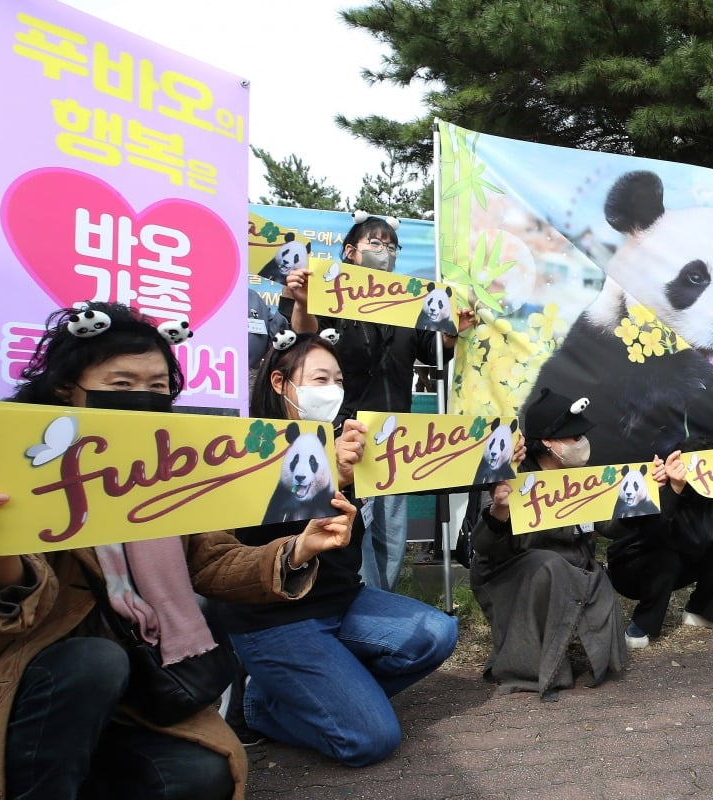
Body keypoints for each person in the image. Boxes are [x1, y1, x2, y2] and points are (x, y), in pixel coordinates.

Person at [0, 302, 355, 800]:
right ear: (65, 388)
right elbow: (15, 611)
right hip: (38, 690)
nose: (141, 399)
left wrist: (297, 549)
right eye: (121, 385)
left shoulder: (167, 468)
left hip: (144, 688)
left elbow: (213, 562)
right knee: (94, 662)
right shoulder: (18, 467)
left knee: (200, 776)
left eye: (157, 387)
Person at [223, 330, 458, 765]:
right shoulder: (245, 447)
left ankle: (325, 694)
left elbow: (443, 464)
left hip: (341, 601)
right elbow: (249, 543)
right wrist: (332, 481)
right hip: (275, 619)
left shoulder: (343, 443)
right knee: (371, 740)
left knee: (438, 633)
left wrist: (500, 461)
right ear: (280, 383)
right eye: (319, 380)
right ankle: (260, 708)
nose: (332, 391)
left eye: (338, 380)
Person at [286, 212, 469, 592]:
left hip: (394, 433)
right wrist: (303, 301)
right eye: (375, 243)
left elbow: (432, 351)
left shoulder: (408, 304)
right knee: (352, 524)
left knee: (392, 531)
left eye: (391, 246)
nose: (384, 252)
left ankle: (381, 597)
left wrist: (452, 334)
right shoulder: (331, 291)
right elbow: (308, 338)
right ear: (351, 251)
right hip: (345, 433)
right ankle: (354, 596)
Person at [469, 388, 626, 699]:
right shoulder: (508, 475)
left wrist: (650, 498)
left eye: (582, 434)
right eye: (573, 437)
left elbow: (611, 527)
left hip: (568, 564)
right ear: (549, 443)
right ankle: (528, 664)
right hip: (511, 571)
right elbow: (485, 546)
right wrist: (500, 510)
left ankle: (581, 646)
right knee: (551, 566)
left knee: (593, 573)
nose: (582, 443)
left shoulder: (582, 478)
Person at [605, 441, 713, 649]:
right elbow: (654, 535)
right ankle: (642, 622)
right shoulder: (656, 485)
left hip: (680, 561)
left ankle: (702, 609)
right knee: (666, 557)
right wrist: (673, 490)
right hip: (632, 567)